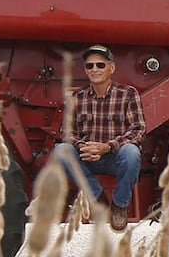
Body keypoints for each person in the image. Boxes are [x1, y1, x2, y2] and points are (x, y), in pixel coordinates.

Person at [54, 44, 145, 231]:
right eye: (90, 66)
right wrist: (84, 147)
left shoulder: (128, 94)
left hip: (115, 157)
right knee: (62, 150)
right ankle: (97, 198)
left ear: (111, 68)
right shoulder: (77, 97)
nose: (95, 69)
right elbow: (67, 132)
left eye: (100, 65)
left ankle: (119, 205)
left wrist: (107, 146)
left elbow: (138, 129)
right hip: (87, 158)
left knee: (132, 152)